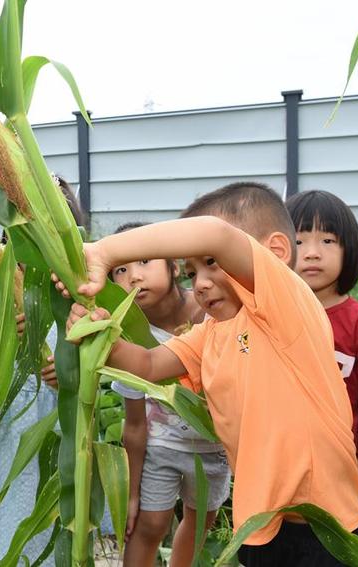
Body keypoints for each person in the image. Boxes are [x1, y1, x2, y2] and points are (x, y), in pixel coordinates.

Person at [60, 182, 358, 566]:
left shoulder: (283, 308)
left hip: (328, 527)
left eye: (211, 263)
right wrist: (100, 331)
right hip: (261, 525)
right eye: (191, 271)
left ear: (274, 253)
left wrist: (104, 251)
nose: (202, 282)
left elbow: (217, 233)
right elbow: (147, 365)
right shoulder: (208, 334)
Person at [0, 177, 92, 564]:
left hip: (57, 433)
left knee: (47, 522)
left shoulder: (78, 301)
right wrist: (8, 343)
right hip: (4, 437)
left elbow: (102, 365)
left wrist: (69, 372)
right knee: (0, 520)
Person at [108, 223, 229, 567]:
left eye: (144, 261)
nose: (133, 277)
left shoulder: (210, 313)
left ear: (175, 268)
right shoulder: (126, 339)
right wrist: (129, 495)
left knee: (198, 524)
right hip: (161, 446)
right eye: (120, 269)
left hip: (215, 447)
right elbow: (133, 425)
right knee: (149, 524)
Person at [287, 190, 358, 550]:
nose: (312, 251)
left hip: (341, 490)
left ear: (349, 249)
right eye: (299, 240)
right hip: (278, 490)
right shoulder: (270, 319)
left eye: (328, 240)